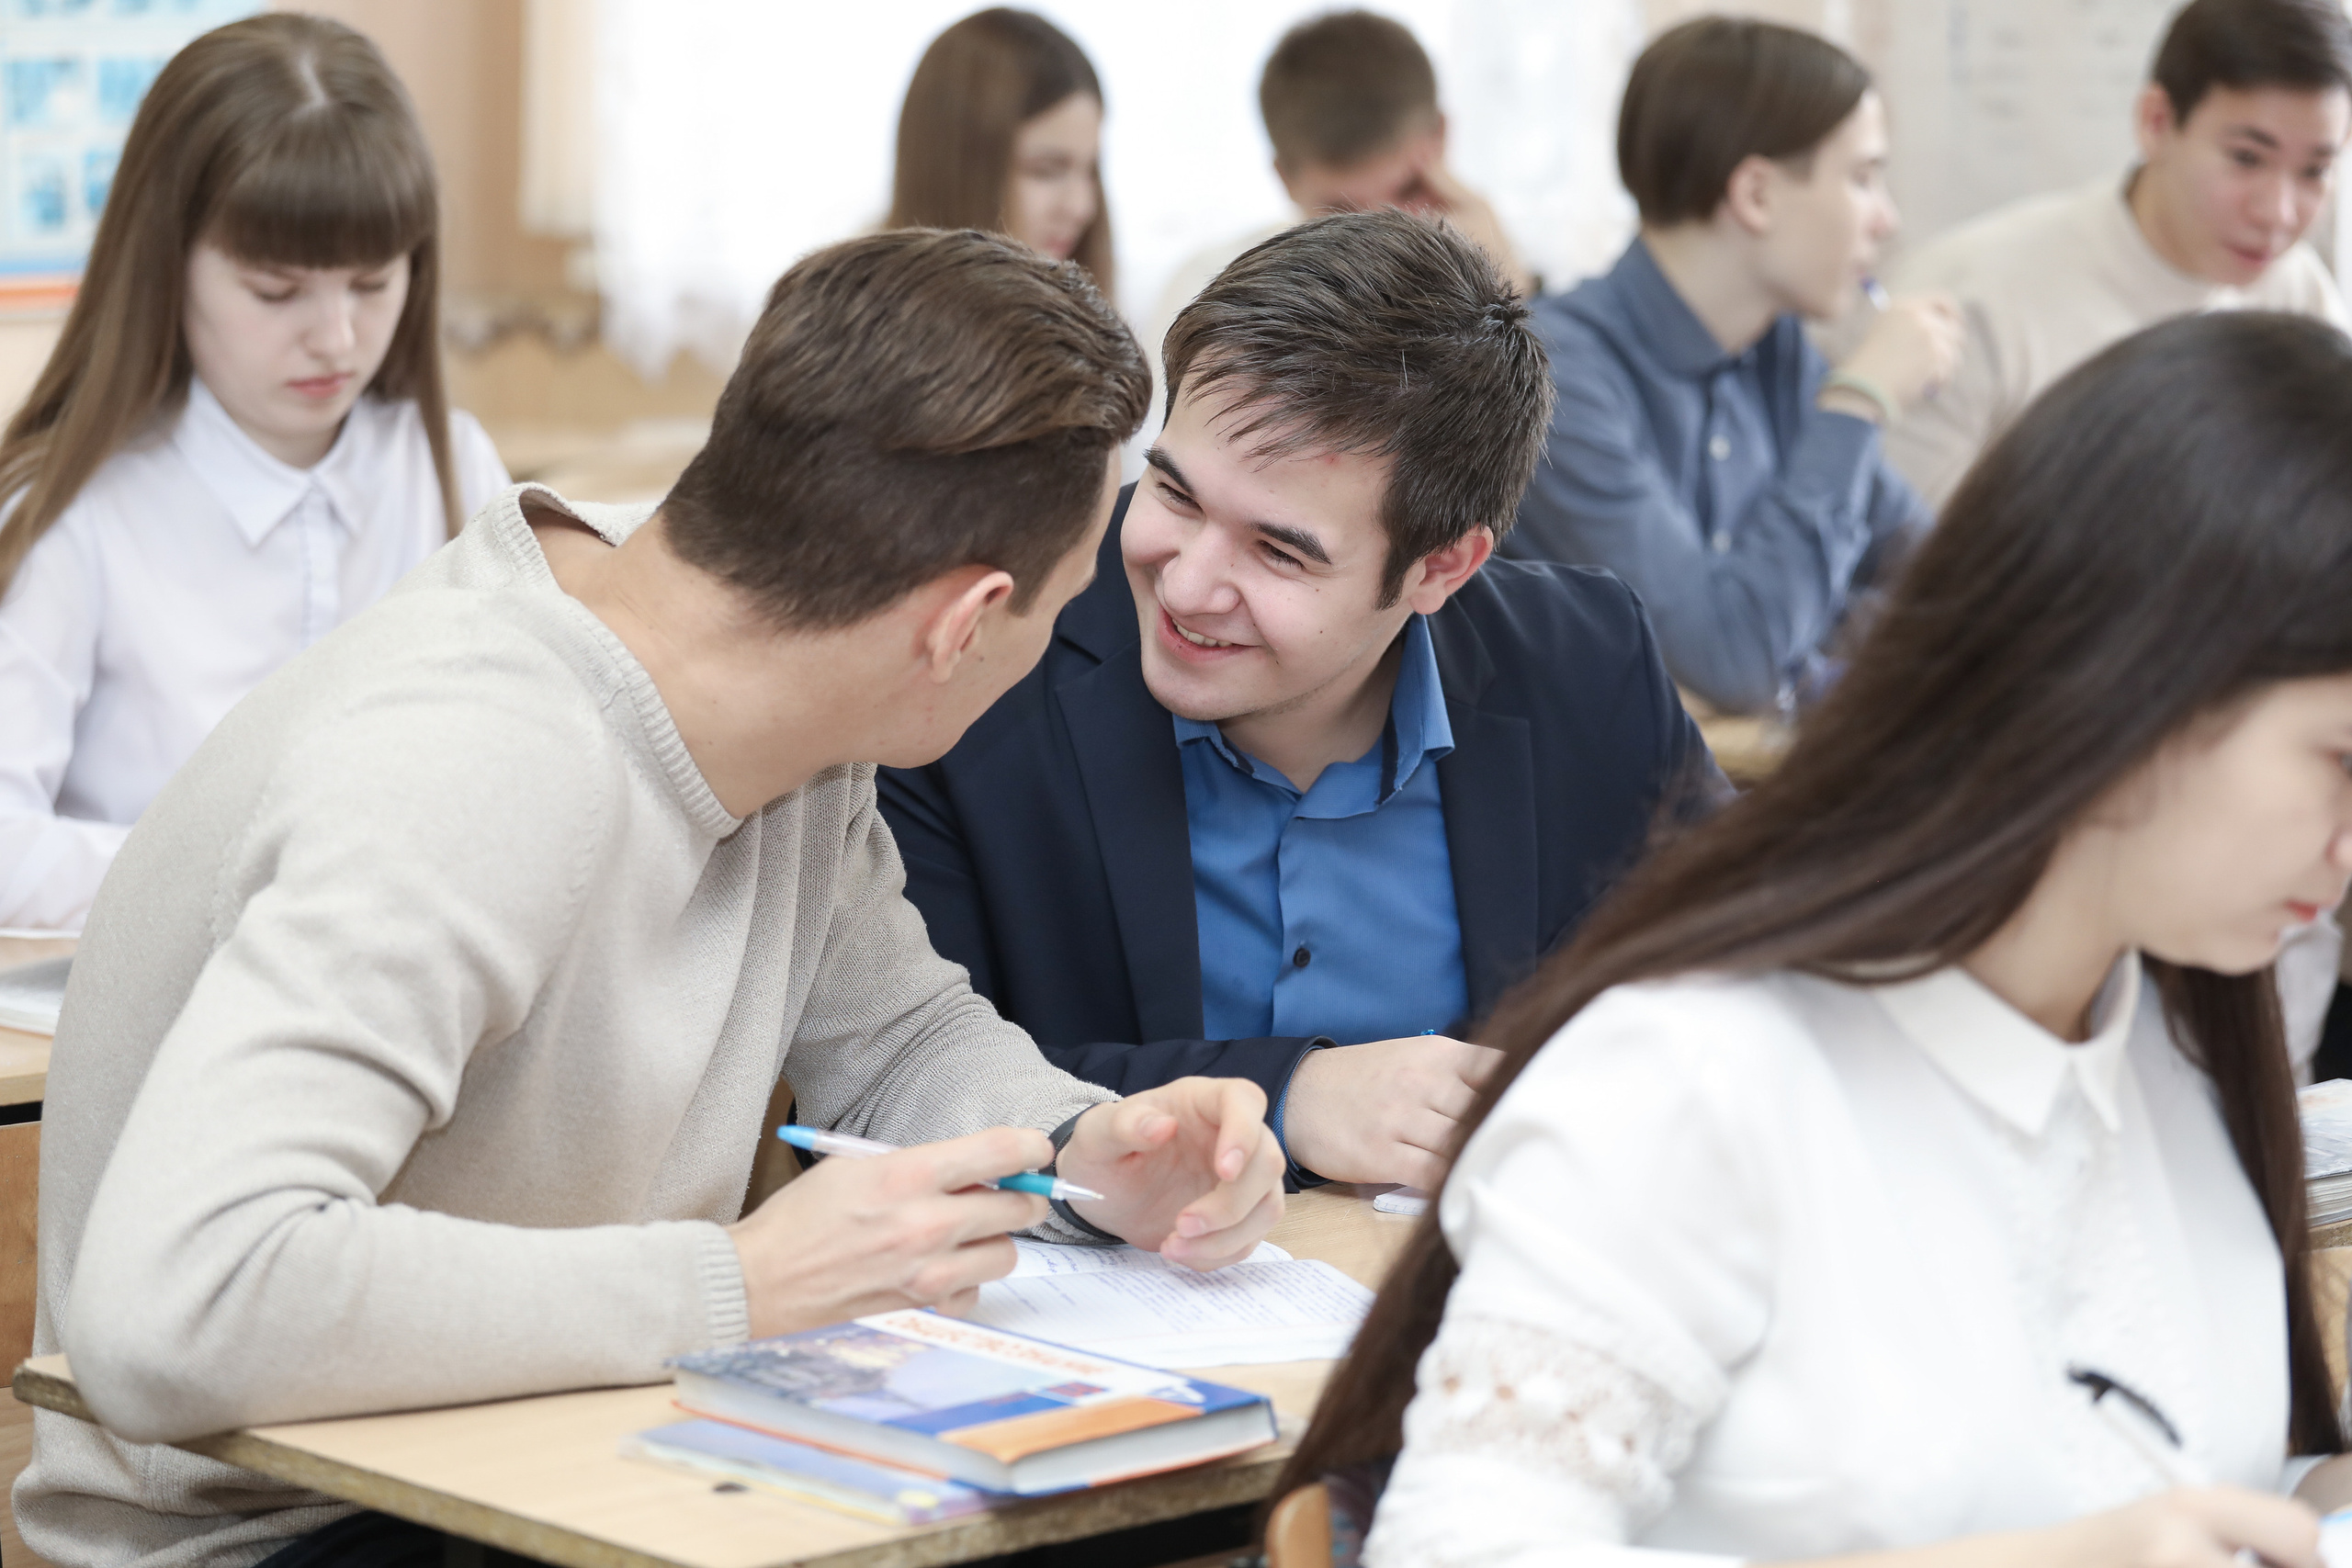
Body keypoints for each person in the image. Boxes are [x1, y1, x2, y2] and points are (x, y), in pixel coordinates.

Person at [15, 228, 1286, 1568]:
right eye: (1064, 607)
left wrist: (1086, 1145)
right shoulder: (472, 770)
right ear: (961, 624)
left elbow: (900, 1036)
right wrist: (741, 1286)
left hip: (552, 1455)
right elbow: (176, 1306)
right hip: (294, 1529)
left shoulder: (774, 666)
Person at [1279, 310, 2352, 1568]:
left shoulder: (2174, 1043)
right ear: (2125, 685)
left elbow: (2191, 1473)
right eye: (2339, 758)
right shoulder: (1697, 1077)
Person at [877, 210, 1719, 1191]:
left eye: (1278, 550)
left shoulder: (1584, 664)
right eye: (1176, 496)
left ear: (1440, 568)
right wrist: (1293, 1095)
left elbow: (1737, 981)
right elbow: (901, 1080)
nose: (1187, 585)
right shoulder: (982, 664)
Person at [0, 14, 511, 933]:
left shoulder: (449, 467)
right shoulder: (75, 514)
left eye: (372, 283)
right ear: (167, 267)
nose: (337, 337)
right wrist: (254, 868)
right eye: (277, 292)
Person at [1501, 18, 1962, 719]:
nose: (1886, 220)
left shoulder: (1777, 350)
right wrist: (1859, 402)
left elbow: (1950, 589)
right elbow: (1736, 662)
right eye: (1864, 178)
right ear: (1756, 195)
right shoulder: (1555, 375)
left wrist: (1801, 651)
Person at [1885, 0, 2352, 511]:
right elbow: (1906, 561)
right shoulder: (1973, 295)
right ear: (2156, 122)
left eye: (2314, 172)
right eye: (2246, 158)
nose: (2278, 213)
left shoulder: (2300, 295)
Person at [1148, 10, 1532, 366]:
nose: (1381, 234)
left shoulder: (1514, 279)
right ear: (1285, 178)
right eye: (1341, 210)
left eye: (1406, 192)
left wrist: (1508, 303)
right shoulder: (1206, 301)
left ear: (1440, 136)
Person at [888, 8, 1114, 294]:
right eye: (1046, 171)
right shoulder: (848, 327)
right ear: (956, 168)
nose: (1082, 207)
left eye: (1090, 170)